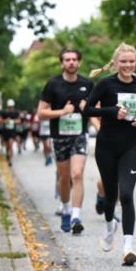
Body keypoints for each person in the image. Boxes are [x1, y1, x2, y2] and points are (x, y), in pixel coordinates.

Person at [85, 43, 136, 266]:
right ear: (115, 63)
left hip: (130, 146)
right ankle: (109, 225)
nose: (128, 65)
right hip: (106, 146)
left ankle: (128, 248)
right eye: (123, 61)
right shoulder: (106, 84)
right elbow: (87, 109)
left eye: (131, 61)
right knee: (110, 195)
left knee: (126, 194)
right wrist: (111, 112)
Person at [38, 48, 93, 234]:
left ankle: (76, 216)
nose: (71, 62)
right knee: (64, 177)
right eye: (67, 60)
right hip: (60, 136)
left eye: (74, 59)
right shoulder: (53, 84)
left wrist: (90, 112)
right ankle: (66, 208)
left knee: (77, 173)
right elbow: (41, 113)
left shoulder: (87, 84)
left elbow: (95, 111)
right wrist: (62, 112)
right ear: (62, 63)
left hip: (80, 134)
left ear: (79, 63)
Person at [0, 100, 19, 166]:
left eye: (11, 106)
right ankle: (7, 154)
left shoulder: (15, 113)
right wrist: (5, 120)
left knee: (11, 145)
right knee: (7, 146)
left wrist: (13, 121)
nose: (11, 108)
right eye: (9, 107)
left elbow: (19, 120)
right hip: (5, 131)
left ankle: (10, 160)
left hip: (12, 131)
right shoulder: (4, 112)